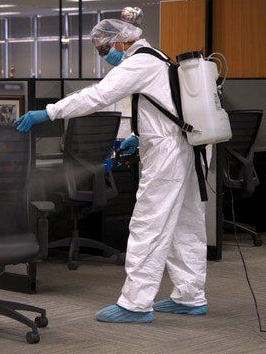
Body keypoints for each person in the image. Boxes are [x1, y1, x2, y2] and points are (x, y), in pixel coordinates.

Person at [14, 18, 208, 323]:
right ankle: (190, 295)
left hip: (168, 153)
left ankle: (135, 303)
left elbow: (97, 96)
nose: (106, 55)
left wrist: (48, 112)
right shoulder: (158, 57)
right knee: (186, 223)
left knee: (148, 223)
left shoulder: (137, 64)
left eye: (106, 48)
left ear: (121, 41)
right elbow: (164, 104)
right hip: (183, 147)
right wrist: (138, 135)